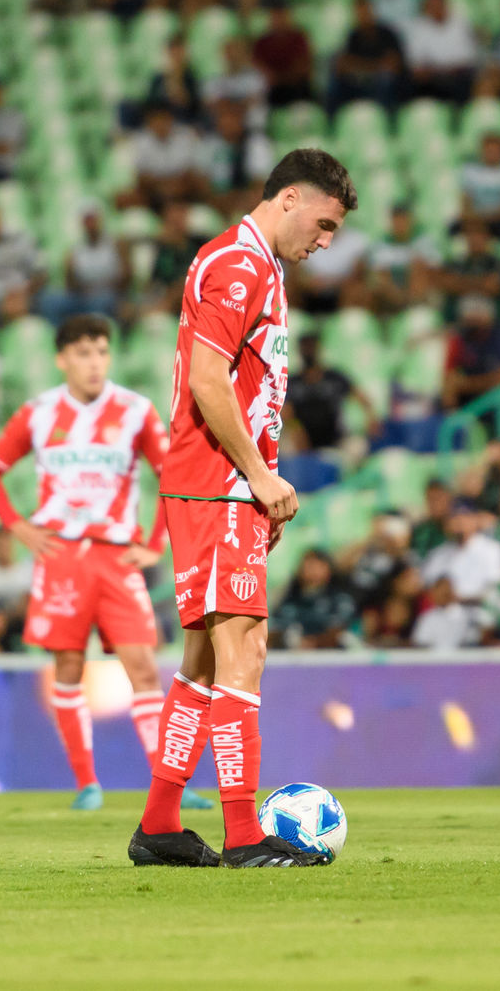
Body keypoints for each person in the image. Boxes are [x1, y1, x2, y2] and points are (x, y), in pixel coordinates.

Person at [130, 149, 355, 869]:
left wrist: (266, 487)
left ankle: (160, 825)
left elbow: (249, 392)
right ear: (288, 198)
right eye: (323, 224)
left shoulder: (263, 268)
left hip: (224, 486)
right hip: (217, 483)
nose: (326, 242)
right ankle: (244, 837)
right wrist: (258, 478)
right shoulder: (237, 264)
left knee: (202, 656)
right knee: (243, 651)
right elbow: (206, 378)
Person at [0, 314, 212, 813]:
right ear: (62, 359)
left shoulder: (134, 410)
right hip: (60, 556)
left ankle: (170, 786)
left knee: (143, 666)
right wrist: (19, 527)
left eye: (101, 351)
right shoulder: (37, 413)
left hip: (115, 556)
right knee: (67, 665)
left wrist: (155, 542)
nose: (94, 362)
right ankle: (87, 783)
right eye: (83, 352)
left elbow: (172, 474)